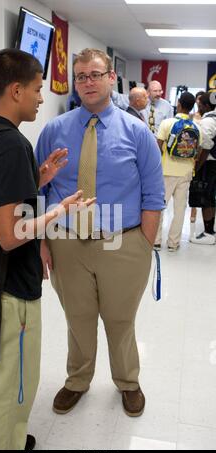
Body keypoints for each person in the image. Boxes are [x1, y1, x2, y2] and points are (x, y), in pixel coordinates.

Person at [0, 48, 94, 451]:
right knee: (13, 381)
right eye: (39, 89)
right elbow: (10, 234)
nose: (43, 97)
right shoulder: (13, 146)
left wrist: (38, 179)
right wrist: (60, 209)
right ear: (17, 90)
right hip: (10, 291)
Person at [36, 48, 164, 418]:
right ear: (75, 83)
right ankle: (77, 380)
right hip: (67, 243)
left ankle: (128, 381)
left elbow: (153, 194)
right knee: (77, 317)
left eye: (95, 74)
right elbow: (40, 189)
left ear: (112, 79)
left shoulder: (137, 132)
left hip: (122, 244)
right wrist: (44, 241)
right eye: (80, 76)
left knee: (120, 319)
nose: (87, 82)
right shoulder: (54, 130)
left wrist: (143, 243)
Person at [154, 92, 201, 252]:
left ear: (179, 104)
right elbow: (198, 150)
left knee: (161, 206)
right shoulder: (196, 127)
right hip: (186, 172)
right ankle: (174, 243)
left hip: (167, 171)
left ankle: (157, 240)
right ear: (192, 107)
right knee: (180, 209)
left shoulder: (167, 123)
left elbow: (158, 145)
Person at [190, 92, 216, 244]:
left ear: (207, 106)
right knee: (211, 197)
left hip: (209, 163)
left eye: (200, 105)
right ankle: (210, 231)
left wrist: (197, 165)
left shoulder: (209, 121)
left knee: (205, 197)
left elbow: (206, 146)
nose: (198, 108)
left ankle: (207, 233)